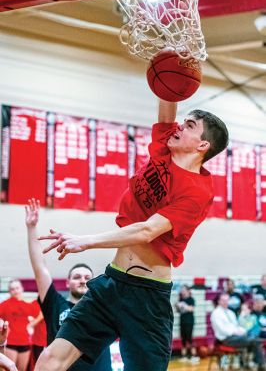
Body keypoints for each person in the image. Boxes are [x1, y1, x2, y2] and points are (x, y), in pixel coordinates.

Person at [34, 98, 229, 371]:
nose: (179, 127)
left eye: (189, 125)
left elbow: (147, 230)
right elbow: (167, 93)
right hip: (111, 284)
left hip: (147, 298)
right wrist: (170, 55)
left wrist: (85, 241)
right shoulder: (165, 146)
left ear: (202, 145)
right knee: (49, 360)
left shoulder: (198, 192)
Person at [25, 199, 112, 371]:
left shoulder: (102, 307)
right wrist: (31, 228)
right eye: (77, 276)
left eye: (87, 277)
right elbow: (40, 268)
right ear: (67, 282)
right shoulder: (55, 304)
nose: (82, 280)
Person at [211, 293, 265, 370]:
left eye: (227, 300)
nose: (225, 302)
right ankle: (259, 364)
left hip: (237, 337)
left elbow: (237, 326)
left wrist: (242, 331)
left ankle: (253, 363)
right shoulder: (216, 313)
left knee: (254, 338)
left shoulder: (230, 312)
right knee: (254, 340)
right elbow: (223, 330)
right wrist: (235, 331)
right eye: (223, 300)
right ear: (218, 301)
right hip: (226, 339)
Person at [0, 280, 35, 371]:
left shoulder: (27, 305)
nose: (15, 291)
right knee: (10, 369)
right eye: (12, 289)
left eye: (17, 288)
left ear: (22, 289)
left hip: (25, 342)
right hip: (11, 342)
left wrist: (32, 324)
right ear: (9, 291)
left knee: (22, 369)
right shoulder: (4, 305)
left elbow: (41, 314)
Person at [175, 285, 199, 364]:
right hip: (182, 321)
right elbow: (179, 311)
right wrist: (177, 306)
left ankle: (194, 356)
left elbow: (191, 309)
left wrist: (184, 306)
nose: (182, 291)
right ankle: (184, 356)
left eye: (184, 290)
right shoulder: (181, 299)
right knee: (183, 339)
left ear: (188, 291)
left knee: (189, 338)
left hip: (189, 321)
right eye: (182, 290)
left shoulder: (191, 299)